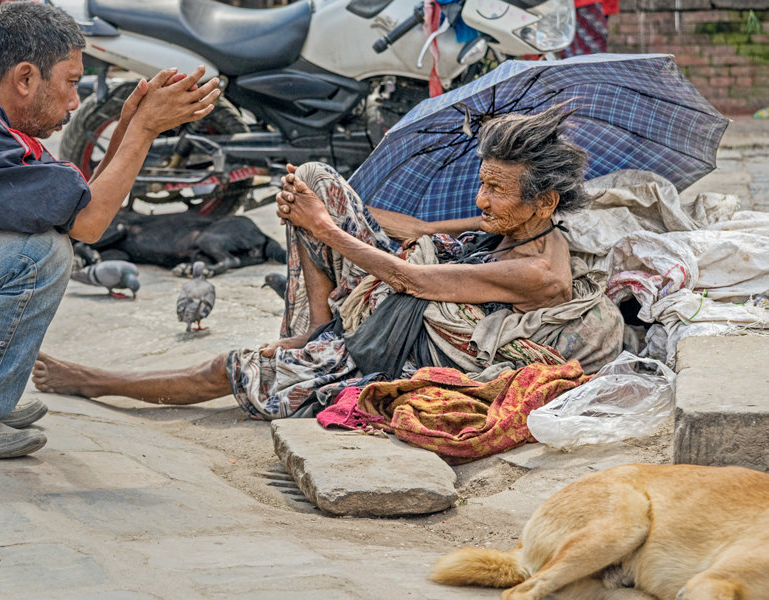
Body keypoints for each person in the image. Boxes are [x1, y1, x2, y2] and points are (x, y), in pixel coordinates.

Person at [33, 105, 624, 419]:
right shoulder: (516, 225)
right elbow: (417, 234)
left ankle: (93, 380)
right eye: (482, 184)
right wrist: (329, 211)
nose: (481, 201)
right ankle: (315, 328)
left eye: (496, 191)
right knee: (316, 177)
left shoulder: (539, 271)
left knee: (233, 369)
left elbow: (411, 277)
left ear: (544, 200)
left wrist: (322, 227)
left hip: (390, 343)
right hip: (390, 301)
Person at [0, 1, 221, 458]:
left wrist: (131, 127)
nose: (75, 101)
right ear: (25, 78)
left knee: (45, 240)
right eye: (71, 83)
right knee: (39, 253)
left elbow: (75, 204)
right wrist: (146, 129)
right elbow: (87, 225)